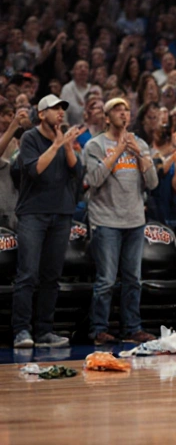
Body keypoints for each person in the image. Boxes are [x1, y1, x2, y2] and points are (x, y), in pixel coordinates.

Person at [11, 95, 85, 348]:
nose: (60, 113)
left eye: (62, 109)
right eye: (54, 109)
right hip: (33, 213)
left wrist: (67, 146)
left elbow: (77, 172)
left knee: (51, 276)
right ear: (41, 114)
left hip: (61, 213)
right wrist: (56, 145)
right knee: (27, 274)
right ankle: (22, 330)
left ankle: (44, 331)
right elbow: (34, 170)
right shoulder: (30, 138)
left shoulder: (64, 140)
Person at [82, 97, 158, 344]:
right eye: (117, 111)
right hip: (106, 220)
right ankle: (98, 329)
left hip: (134, 219)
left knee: (133, 279)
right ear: (106, 118)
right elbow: (94, 179)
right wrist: (117, 151)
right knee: (106, 280)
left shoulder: (140, 144)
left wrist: (139, 154)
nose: (123, 114)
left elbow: (153, 182)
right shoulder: (95, 145)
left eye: (126, 110)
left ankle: (132, 328)